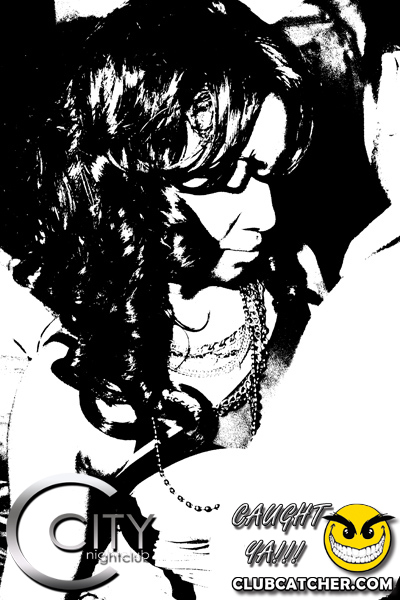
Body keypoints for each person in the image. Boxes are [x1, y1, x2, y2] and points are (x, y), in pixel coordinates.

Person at [0, 0, 324, 597]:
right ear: (131, 181)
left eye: (270, 174)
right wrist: (128, 567)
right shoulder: (75, 387)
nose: (267, 215)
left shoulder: (299, 298)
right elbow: (40, 585)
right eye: (229, 180)